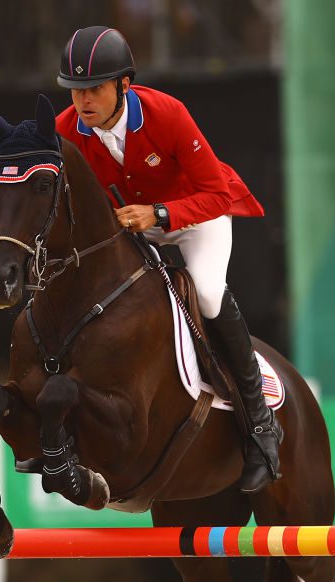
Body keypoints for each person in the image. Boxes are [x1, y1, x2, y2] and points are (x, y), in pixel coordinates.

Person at [54, 26, 279, 493]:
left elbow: (215, 193)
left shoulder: (166, 114)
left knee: (209, 295)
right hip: (131, 228)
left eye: (94, 88)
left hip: (195, 217)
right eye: (76, 91)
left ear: (124, 85)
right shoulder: (65, 131)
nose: (83, 102)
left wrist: (159, 212)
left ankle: (260, 425)